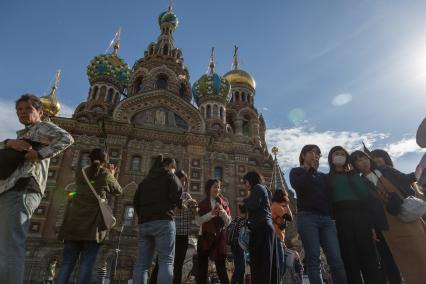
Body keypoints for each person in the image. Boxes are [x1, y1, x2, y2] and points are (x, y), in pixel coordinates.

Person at [0, 94, 74, 283]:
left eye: (28, 109)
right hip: (11, 187)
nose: (23, 112)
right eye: (19, 109)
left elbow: (67, 138)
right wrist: (8, 143)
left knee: (11, 247)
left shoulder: (43, 126)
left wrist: (40, 154)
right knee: (5, 246)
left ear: (40, 112)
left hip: (24, 188)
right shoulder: (24, 132)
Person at [350, 150, 426, 284]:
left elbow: (406, 178)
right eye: (358, 160)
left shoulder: (384, 169)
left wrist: (420, 170)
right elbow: (366, 208)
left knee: (422, 250)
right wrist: (372, 227)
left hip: (407, 214)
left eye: (364, 158)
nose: (363, 162)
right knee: (406, 259)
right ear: (355, 165)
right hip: (388, 224)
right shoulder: (360, 182)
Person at [57, 148, 122, 284]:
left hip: (73, 224)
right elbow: (118, 190)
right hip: (93, 228)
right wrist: (112, 173)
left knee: (67, 263)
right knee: (87, 264)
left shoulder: (80, 172)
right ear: (105, 161)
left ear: (89, 158)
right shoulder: (105, 174)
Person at [289, 145, 347, 284]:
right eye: (311, 152)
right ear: (303, 155)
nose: (315, 155)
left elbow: (329, 198)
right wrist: (311, 170)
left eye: (318, 154)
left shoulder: (324, 176)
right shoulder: (296, 171)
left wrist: (332, 218)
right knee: (314, 261)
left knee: (336, 260)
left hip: (327, 220)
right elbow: (299, 186)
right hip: (307, 217)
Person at [328, 146, 380, 284]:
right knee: (350, 261)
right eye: (336, 154)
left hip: (360, 217)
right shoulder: (328, 178)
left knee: (369, 259)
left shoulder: (353, 175)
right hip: (341, 220)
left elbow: (363, 195)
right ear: (331, 158)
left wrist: (352, 175)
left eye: (342, 154)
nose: (339, 156)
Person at [133, 156, 182, 284]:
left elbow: (135, 201)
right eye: (174, 168)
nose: (174, 170)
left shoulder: (145, 181)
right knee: (166, 261)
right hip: (164, 221)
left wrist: (143, 217)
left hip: (144, 223)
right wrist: (180, 204)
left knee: (142, 264)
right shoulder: (170, 177)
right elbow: (178, 195)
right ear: (170, 165)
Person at [150, 170, 198, 284]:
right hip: (168, 234)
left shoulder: (186, 196)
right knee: (160, 263)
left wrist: (195, 208)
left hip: (182, 236)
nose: (184, 184)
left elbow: (195, 215)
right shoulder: (168, 195)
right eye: (182, 181)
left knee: (178, 265)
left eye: (186, 181)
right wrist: (179, 208)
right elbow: (164, 213)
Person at [242, 171, 279, 284]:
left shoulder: (257, 188)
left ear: (251, 180)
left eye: (246, 182)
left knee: (260, 263)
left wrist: (245, 202)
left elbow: (253, 205)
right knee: (268, 263)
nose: (245, 185)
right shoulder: (264, 189)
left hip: (260, 228)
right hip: (266, 228)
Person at [196, 179, 231, 284]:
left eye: (219, 187)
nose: (218, 189)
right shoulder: (202, 204)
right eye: (215, 186)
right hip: (204, 238)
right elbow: (198, 221)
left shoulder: (224, 203)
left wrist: (223, 213)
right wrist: (211, 214)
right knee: (202, 270)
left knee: (221, 269)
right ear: (209, 188)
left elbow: (229, 222)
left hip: (219, 239)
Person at [271, 189, 292, 278]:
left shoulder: (276, 205)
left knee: (280, 266)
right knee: (281, 266)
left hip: (279, 237)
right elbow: (289, 217)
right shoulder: (276, 205)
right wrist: (287, 205)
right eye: (286, 196)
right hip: (276, 237)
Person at [228, 205, 248, 284]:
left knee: (240, 268)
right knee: (240, 269)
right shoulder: (244, 221)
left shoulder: (235, 219)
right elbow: (244, 235)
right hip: (240, 245)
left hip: (233, 245)